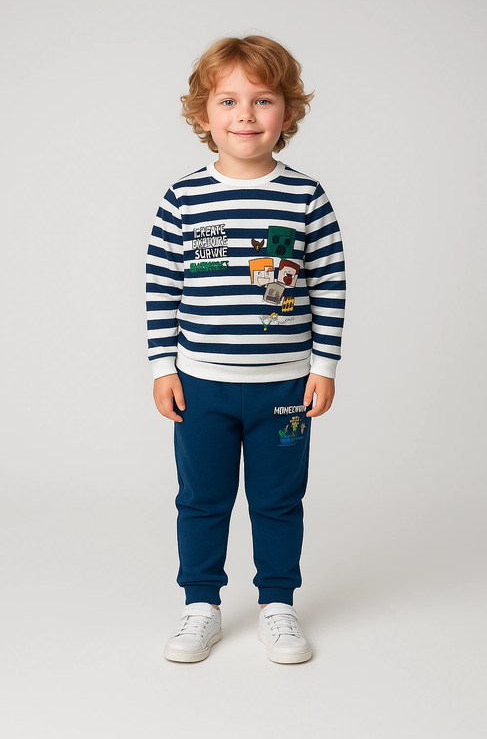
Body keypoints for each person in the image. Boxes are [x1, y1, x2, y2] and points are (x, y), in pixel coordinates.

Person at [145, 34, 346, 664]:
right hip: (200, 384)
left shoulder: (306, 196)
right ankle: (200, 605)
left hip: (284, 386)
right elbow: (161, 285)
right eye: (228, 101)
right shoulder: (183, 198)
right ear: (204, 114)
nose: (246, 115)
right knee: (201, 499)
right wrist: (163, 367)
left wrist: (324, 366)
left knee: (279, 500)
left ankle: (277, 605)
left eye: (263, 100)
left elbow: (330, 285)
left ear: (287, 111)